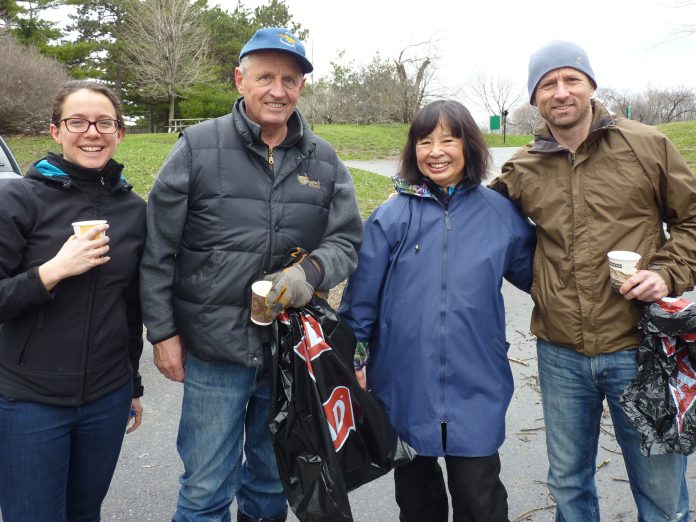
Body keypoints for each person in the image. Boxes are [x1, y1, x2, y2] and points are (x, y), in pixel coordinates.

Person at [139, 27, 363, 522]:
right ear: (240, 79)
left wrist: (310, 272)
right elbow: (158, 249)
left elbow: (347, 240)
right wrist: (163, 332)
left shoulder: (323, 160)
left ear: (301, 87)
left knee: (270, 484)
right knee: (205, 488)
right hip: (213, 352)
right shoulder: (197, 147)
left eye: (290, 79)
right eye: (265, 77)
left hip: (288, 352)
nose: (277, 90)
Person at [490, 40, 696, 521]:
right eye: (547, 85)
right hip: (561, 350)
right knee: (567, 485)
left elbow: (691, 221)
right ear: (535, 98)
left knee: (661, 491)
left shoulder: (647, 145)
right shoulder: (524, 167)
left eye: (570, 80)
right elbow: (481, 225)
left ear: (590, 86)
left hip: (640, 345)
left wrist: (666, 273)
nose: (560, 92)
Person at [339, 99, 536, 522]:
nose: (436, 151)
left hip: (477, 382)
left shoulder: (500, 214)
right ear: (413, 150)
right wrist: (353, 361)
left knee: (480, 500)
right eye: (425, 141)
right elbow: (360, 303)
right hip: (404, 385)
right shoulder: (391, 217)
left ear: (469, 146)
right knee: (417, 504)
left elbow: (545, 281)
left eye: (449, 139)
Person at [0, 80, 146, 521]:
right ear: (55, 131)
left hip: (106, 397)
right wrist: (52, 271)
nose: (92, 132)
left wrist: (133, 386)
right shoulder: (17, 199)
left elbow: (130, 307)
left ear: (119, 133)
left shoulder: (133, 210)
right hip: (29, 400)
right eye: (77, 121)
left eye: (104, 122)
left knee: (85, 513)